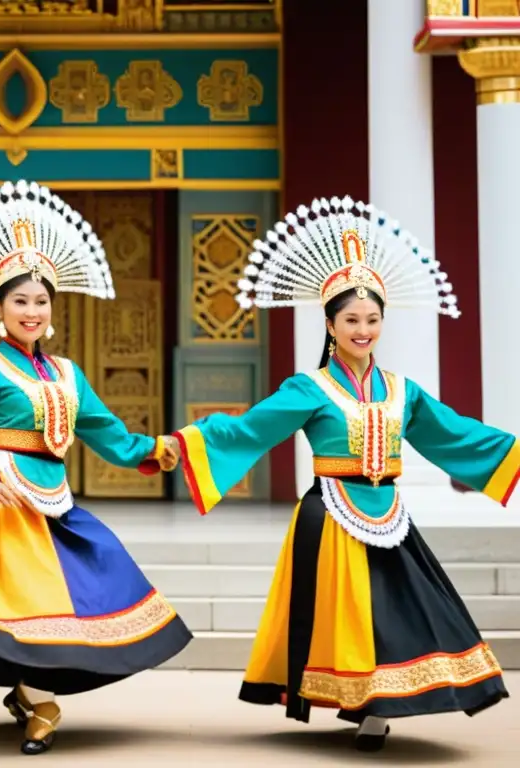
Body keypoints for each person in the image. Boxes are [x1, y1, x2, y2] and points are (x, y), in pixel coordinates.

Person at [174, 196, 515, 751]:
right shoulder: (309, 389)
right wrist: (184, 444)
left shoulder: (403, 390)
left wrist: (515, 453)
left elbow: (455, 432)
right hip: (330, 512)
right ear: (330, 325)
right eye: (352, 320)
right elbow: (251, 429)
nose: (363, 330)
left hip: (389, 510)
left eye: (372, 320)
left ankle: (381, 703)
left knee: (400, 609)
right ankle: (364, 703)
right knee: (351, 616)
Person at [0, 180, 192, 756]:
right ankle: (42, 701)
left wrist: (156, 450)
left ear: (53, 309)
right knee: (24, 603)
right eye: (19, 302)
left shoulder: (67, 372)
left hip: (53, 497)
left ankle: (27, 691)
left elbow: (106, 433)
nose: (31, 312)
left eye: (40, 302)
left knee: (95, 568)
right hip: (1, 501)